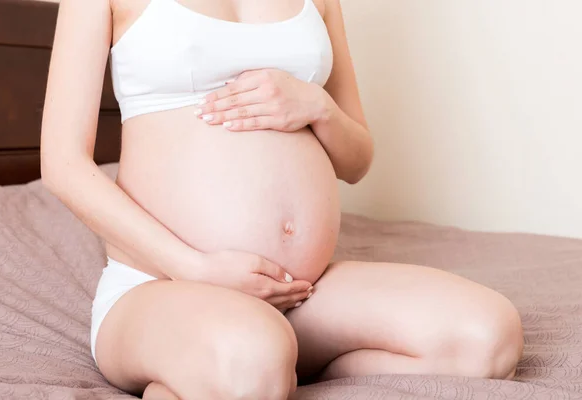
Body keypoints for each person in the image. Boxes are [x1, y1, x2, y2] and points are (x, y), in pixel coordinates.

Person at [40, 0, 524, 398]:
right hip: (163, 283)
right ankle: (243, 368)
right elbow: (62, 164)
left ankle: (253, 376)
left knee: (488, 337)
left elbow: (356, 162)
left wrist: (318, 106)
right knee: (252, 357)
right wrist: (193, 266)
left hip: (299, 291)